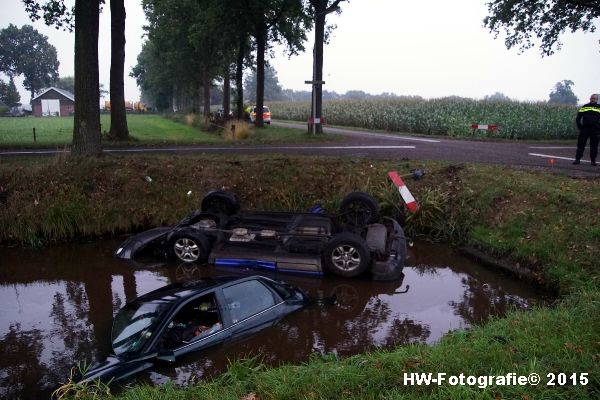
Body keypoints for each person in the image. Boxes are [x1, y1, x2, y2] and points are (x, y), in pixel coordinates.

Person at [574, 94, 600, 166]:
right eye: (591, 98)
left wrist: (598, 128)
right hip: (585, 129)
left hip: (595, 130)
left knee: (594, 146)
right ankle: (577, 159)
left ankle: (593, 161)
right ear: (590, 99)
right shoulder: (585, 107)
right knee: (580, 144)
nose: (592, 99)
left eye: (594, 98)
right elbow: (578, 118)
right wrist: (580, 127)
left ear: (596, 99)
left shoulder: (599, 107)